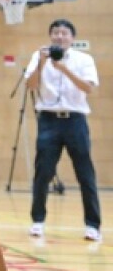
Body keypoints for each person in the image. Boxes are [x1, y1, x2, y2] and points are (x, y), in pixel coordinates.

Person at [25, 18, 101, 242]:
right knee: (43, 172)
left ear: (72, 38)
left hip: (75, 120)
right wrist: (41, 63)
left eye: (64, 33)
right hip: (48, 120)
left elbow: (88, 87)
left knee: (85, 173)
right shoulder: (39, 56)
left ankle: (92, 225)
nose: (59, 36)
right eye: (55, 32)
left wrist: (63, 69)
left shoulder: (84, 59)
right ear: (50, 36)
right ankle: (37, 221)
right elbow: (30, 85)